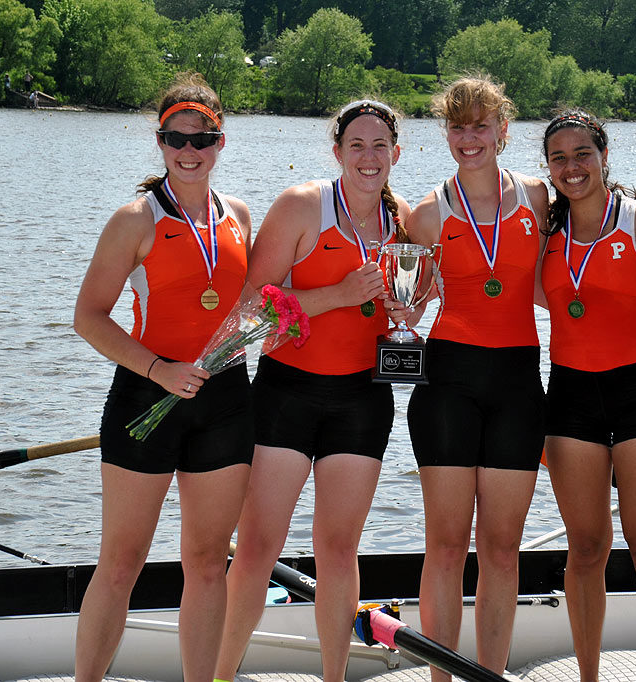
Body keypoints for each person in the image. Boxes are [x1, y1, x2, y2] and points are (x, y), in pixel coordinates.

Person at [214, 99, 411, 682]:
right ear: (337, 152)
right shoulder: (302, 206)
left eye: (380, 147)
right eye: (357, 146)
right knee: (256, 550)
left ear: (396, 154)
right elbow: (249, 311)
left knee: (339, 550)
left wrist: (406, 309)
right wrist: (339, 296)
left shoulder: (400, 221)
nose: (368, 158)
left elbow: (396, 307)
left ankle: (334, 677)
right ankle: (220, 673)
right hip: (287, 397)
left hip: (362, 401)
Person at [73, 72, 253, 682]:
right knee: (120, 563)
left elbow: (250, 311)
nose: (189, 151)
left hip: (224, 400)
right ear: (160, 142)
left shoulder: (241, 218)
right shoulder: (135, 219)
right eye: (176, 138)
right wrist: (159, 369)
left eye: (202, 139)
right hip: (145, 396)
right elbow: (88, 317)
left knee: (206, 563)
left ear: (220, 142)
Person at [403, 75, 549, 681]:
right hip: (448, 383)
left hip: (518, 382)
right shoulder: (427, 214)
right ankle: (441, 677)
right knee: (445, 547)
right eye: (458, 127)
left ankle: (489, 674)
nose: (469, 138)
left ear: (503, 131)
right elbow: (408, 304)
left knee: (501, 551)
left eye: (480, 126)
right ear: (447, 134)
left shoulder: (540, 199)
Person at [540, 111, 636, 682]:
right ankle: (589, 676)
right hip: (571, 395)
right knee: (587, 549)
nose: (572, 168)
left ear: (604, 156)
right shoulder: (544, 232)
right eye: (559, 158)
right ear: (547, 168)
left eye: (583, 155)